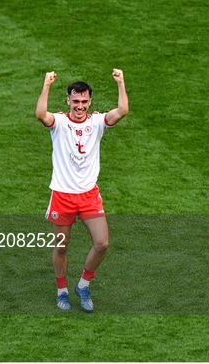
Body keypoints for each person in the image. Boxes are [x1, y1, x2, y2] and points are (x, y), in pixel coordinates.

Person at [35, 69, 129, 312]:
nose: (79, 106)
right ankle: (62, 291)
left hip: (88, 196)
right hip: (62, 195)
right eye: (75, 101)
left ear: (90, 101)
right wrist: (46, 85)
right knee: (61, 247)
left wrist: (121, 83)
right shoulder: (59, 123)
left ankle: (84, 284)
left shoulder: (97, 122)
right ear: (68, 101)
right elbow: (40, 114)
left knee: (102, 243)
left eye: (84, 101)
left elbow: (122, 111)